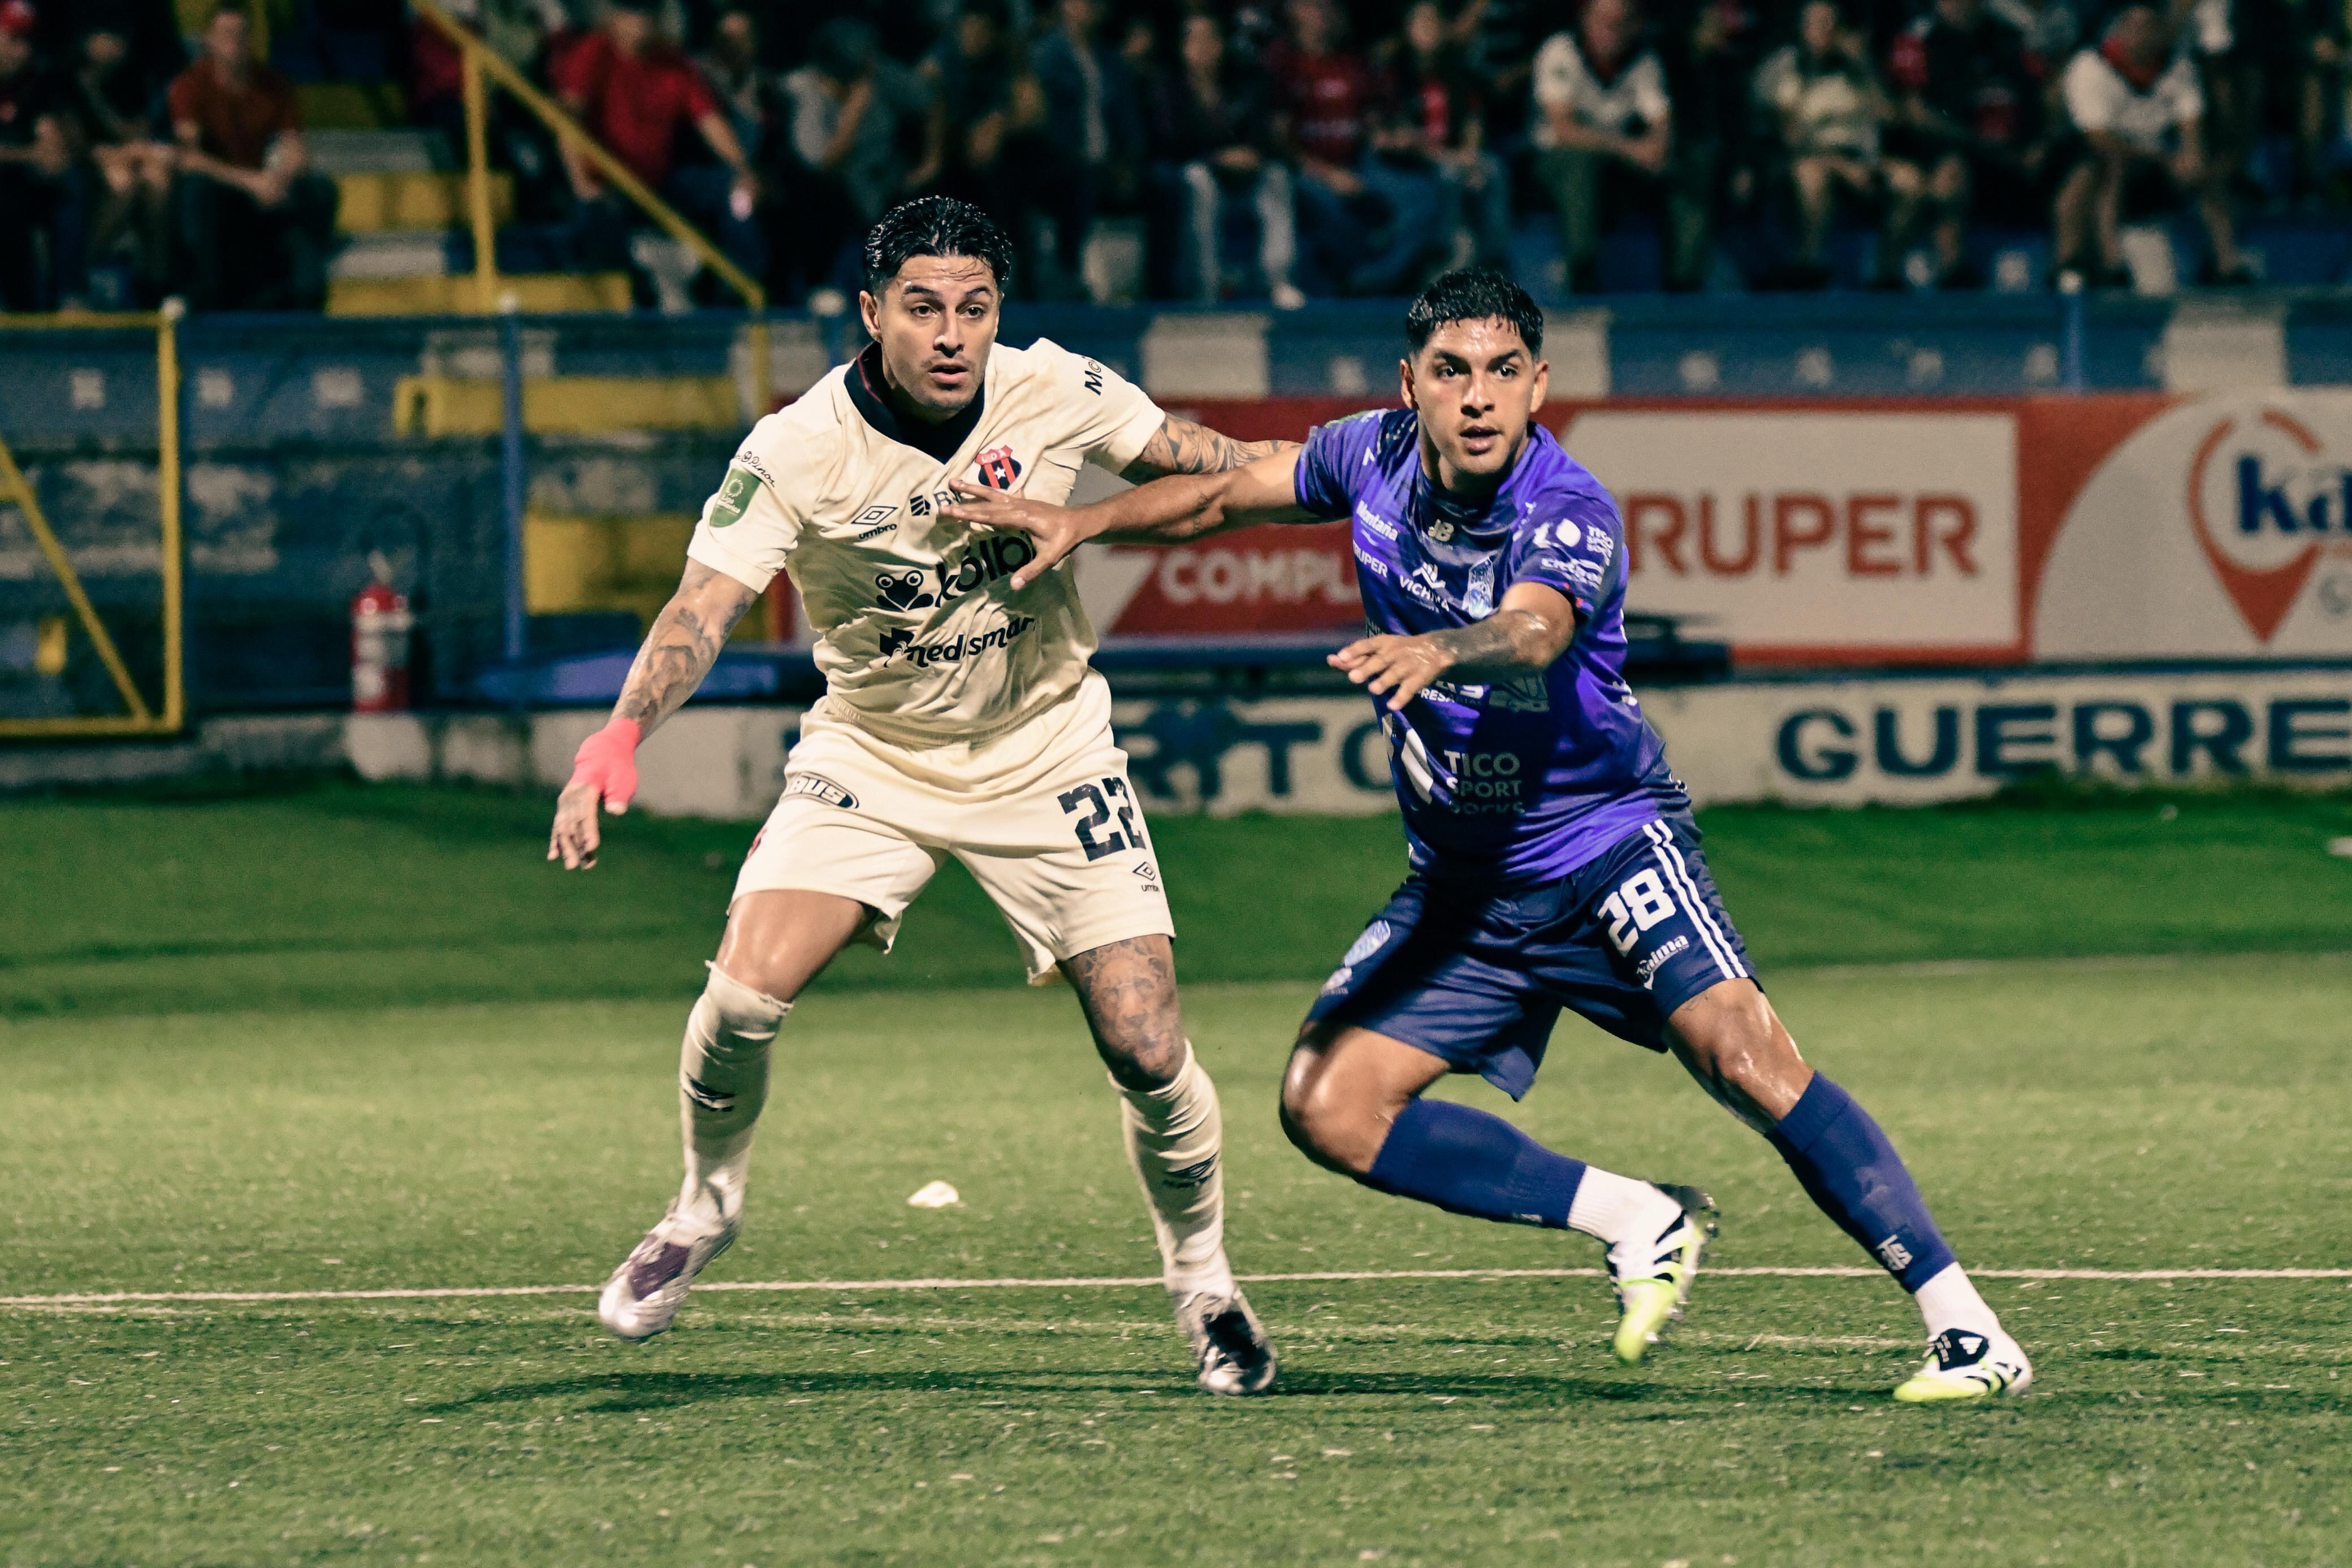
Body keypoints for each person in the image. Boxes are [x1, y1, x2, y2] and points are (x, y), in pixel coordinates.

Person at [944, 267, 2037, 1404]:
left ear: (1539, 385)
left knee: (1743, 1055)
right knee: (1328, 1105)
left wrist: (1441, 649)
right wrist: (1083, 522)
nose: (1478, 399)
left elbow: (1533, 626)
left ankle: (1967, 1330)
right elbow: (1221, 498)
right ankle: (1637, 1215)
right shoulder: (1367, 457)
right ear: (1409, 384)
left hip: (1600, 841)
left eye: (1504, 373)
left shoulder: (1568, 508)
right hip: (1466, 886)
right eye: (1453, 373)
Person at [551, 196, 1284, 1398]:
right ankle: (703, 1206)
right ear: (871, 312)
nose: (952, 335)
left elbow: (1206, 466)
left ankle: (1206, 1286)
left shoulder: (1054, 390)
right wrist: (620, 735)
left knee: (1149, 1045)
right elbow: (700, 607)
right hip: (873, 759)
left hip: (1050, 750)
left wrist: (1348, 465)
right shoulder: (796, 447)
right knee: (743, 988)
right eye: (924, 307)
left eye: (975, 308)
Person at [553, 0, 764, 302]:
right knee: (596, 220)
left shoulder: (673, 62)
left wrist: (743, 170)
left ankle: (740, 287)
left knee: (738, 193)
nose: (640, 21)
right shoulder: (593, 52)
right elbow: (567, 121)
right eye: (633, 12)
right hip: (611, 185)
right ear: (613, 16)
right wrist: (583, 184)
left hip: (661, 184)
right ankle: (635, 306)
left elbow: (710, 121)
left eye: (648, 13)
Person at [2051, 1, 2247, 287]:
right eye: (2135, 27)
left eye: (2150, 28)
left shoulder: (2178, 66)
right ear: (2120, 30)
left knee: (2206, 172)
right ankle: (2113, 266)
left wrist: (2192, 157)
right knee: (2109, 168)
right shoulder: (2090, 67)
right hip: (2115, 163)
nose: (2142, 35)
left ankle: (2228, 265)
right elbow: (2098, 139)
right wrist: (2162, 158)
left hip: (2160, 166)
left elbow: (2192, 124)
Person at [1268, 0, 1447, 296]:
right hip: (1309, 171)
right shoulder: (1285, 66)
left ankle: (1372, 281)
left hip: (1362, 163)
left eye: (1329, 7)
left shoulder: (1356, 64)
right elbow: (1278, 144)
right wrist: (1329, 175)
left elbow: (1375, 122)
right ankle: (1337, 285)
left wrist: (1388, 138)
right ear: (1296, 11)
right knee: (1330, 211)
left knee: (1422, 198)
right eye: (1314, 7)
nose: (1323, 14)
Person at [167, 3, 338, 311]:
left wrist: (279, 179)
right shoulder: (191, 85)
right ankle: (206, 294)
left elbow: (295, 147)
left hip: (263, 187)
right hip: (224, 188)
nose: (234, 42)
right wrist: (249, 182)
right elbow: (189, 156)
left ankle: (306, 294)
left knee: (319, 191)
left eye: (242, 35)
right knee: (196, 191)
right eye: (226, 35)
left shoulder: (274, 84)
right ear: (209, 39)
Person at [1531, 0, 1710, 294]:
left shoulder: (1644, 60)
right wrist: (1630, 148)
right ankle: (1583, 271)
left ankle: (1685, 281)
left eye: (1621, 21)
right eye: (1603, 21)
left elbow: (1661, 121)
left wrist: (1659, 146)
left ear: (1636, 24)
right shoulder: (1560, 51)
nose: (1611, 31)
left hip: (1616, 164)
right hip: (1555, 162)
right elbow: (1564, 130)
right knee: (1580, 165)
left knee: (1690, 165)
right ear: (1586, 19)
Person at [1752, 0, 1916, 288]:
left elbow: (1891, 116)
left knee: (1910, 180)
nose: (1823, 31)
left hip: (1862, 160)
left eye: (1830, 24)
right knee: (1812, 176)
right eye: (1815, 23)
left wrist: (1863, 66)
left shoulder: (1857, 67)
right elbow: (1790, 137)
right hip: (1809, 159)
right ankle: (1809, 264)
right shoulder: (1784, 66)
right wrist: (1843, 168)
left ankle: (1887, 274)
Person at [1884, 0, 2048, 287]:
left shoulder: (2010, 37)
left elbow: (2041, 96)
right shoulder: (1918, 38)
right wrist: (1975, 143)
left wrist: (2039, 145)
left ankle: (2075, 280)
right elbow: (1913, 113)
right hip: (1947, 150)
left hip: (2014, 156)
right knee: (1951, 172)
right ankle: (1954, 268)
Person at [1146, 9, 1303, 306]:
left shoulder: (1240, 83)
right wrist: (1216, 157)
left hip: (1242, 174)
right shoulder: (1169, 88)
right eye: (1196, 40)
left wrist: (1252, 153)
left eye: (1212, 38)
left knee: (1277, 177)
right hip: (1197, 171)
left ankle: (1278, 280)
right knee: (1198, 180)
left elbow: (1259, 131)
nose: (1205, 47)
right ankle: (1207, 285)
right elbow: (1169, 142)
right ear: (1183, 47)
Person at [779, 19, 933, 301]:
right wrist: (854, 112)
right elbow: (824, 164)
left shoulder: (876, 76)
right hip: (824, 196)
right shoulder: (805, 92)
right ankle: (824, 290)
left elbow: (929, 101)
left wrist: (930, 162)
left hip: (880, 183)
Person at [1385, 0, 1513, 272]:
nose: (1429, 29)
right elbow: (1400, 135)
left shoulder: (1458, 71)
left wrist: (1470, 154)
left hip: (1454, 153)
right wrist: (1451, 158)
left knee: (1493, 169)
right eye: (1422, 23)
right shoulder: (1396, 74)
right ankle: (1443, 252)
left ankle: (1495, 256)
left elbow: (1473, 119)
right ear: (1408, 30)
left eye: (1434, 22)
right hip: (1413, 159)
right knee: (1451, 173)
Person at [1027, 0, 1143, 299]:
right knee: (1079, 180)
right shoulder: (1045, 56)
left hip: (1109, 163)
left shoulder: (1111, 59)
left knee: (1163, 185)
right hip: (1063, 165)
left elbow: (1128, 121)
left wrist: (1127, 162)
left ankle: (1160, 288)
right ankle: (1069, 276)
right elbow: (1044, 125)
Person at [64, 5, 177, 304]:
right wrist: (87, 92)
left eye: (120, 37)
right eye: (107, 36)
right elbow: (74, 145)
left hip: (122, 156)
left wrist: (97, 98)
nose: (116, 44)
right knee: (123, 183)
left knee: (158, 179)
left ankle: (156, 282)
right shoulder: (64, 77)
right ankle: (79, 273)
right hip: (82, 162)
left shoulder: (131, 77)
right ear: (87, 40)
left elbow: (136, 133)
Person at [0, 0, 76, 311]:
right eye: (13, 40)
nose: (23, 51)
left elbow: (55, 153)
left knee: (68, 189)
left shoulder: (35, 84)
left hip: (21, 185)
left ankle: (70, 295)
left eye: (28, 41)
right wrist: (29, 154)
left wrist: (34, 154)